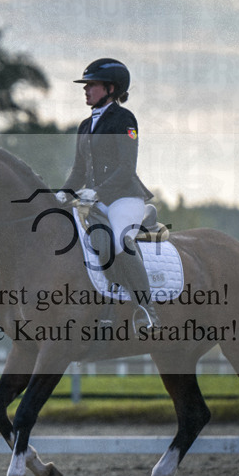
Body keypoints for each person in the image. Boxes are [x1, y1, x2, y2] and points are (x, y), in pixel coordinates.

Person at [55, 58, 159, 330]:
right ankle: (103, 305)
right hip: (94, 201)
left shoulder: (125, 119)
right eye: (85, 85)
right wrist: (62, 194)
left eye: (92, 85)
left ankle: (146, 309)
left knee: (120, 241)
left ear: (111, 89)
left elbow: (127, 168)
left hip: (124, 199)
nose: (86, 90)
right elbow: (78, 171)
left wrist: (97, 192)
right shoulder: (85, 125)